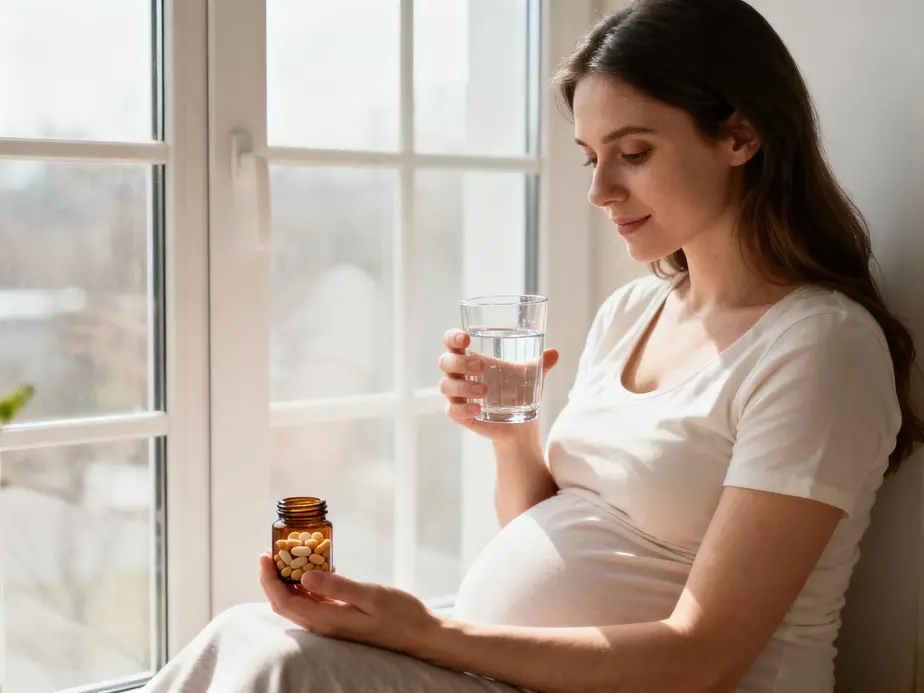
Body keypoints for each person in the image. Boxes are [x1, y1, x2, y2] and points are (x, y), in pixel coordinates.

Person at [142, 1, 924, 691]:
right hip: (516, 676)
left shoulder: (820, 347)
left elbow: (700, 661)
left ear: (742, 135)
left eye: (635, 152)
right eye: (591, 157)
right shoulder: (634, 312)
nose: (600, 190)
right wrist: (512, 439)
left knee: (285, 668)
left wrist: (425, 633)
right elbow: (554, 527)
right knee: (250, 631)